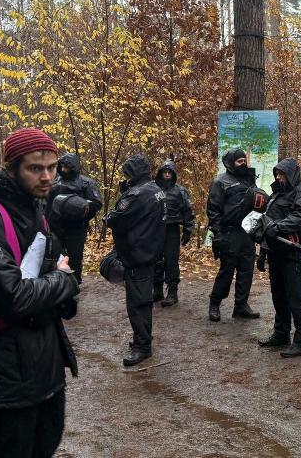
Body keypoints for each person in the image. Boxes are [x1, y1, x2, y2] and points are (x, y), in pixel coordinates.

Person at [0, 127, 80, 458]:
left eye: (51, 167)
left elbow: (46, 268)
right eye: (35, 168)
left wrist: (61, 291)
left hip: (45, 364)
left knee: (46, 445)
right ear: (11, 168)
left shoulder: (35, 208)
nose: (47, 177)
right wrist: (65, 282)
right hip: (5, 372)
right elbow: (14, 297)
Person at [105, 154, 165, 367]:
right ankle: (142, 340)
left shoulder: (137, 195)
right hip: (149, 252)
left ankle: (143, 346)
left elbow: (113, 219)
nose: (126, 177)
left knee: (138, 303)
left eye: (127, 173)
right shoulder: (156, 189)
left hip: (137, 254)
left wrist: (123, 197)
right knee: (142, 300)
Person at [258, 158, 301, 358]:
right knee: (279, 296)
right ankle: (281, 334)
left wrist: (278, 227)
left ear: (291, 174)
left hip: (294, 253)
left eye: (281, 174)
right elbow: (267, 223)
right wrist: (263, 251)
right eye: (277, 174)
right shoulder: (276, 194)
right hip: (276, 253)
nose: (278, 177)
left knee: (296, 298)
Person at [208, 149, 262, 322]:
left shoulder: (249, 180)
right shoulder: (220, 182)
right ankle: (215, 303)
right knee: (226, 271)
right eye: (239, 161)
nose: (243, 164)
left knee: (246, 270)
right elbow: (213, 209)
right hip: (228, 232)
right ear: (230, 163)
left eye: (244, 160)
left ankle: (241, 305)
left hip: (247, 232)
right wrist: (217, 234)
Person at [48, 153, 103, 284]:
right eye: (61, 166)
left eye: (66, 167)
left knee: (75, 256)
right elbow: (46, 203)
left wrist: (80, 206)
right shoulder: (54, 181)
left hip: (77, 228)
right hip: (56, 227)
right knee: (56, 255)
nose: (63, 169)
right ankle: (58, 282)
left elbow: (96, 203)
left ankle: (75, 282)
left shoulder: (86, 183)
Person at [153, 160, 195, 307]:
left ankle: (172, 292)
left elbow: (188, 210)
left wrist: (188, 229)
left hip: (172, 230)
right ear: (159, 173)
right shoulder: (152, 189)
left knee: (171, 261)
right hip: (155, 230)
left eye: (169, 172)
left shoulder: (180, 191)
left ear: (173, 174)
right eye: (164, 171)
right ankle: (157, 290)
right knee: (155, 260)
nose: (166, 174)